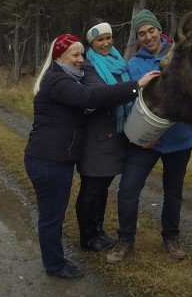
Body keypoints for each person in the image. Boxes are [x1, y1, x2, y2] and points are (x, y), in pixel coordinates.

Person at [24, 33, 159, 279]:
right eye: (75, 55)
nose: (80, 60)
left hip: (57, 160)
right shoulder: (56, 80)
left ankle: (58, 258)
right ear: (59, 56)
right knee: (51, 216)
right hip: (47, 160)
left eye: (82, 54)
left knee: (54, 213)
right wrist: (136, 85)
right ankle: (55, 265)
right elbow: (91, 97)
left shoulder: (69, 79)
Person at [107, 9, 192, 264]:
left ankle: (171, 236)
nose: (148, 37)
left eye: (151, 31)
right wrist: (143, 134)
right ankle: (125, 238)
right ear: (138, 39)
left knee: (173, 190)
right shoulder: (132, 66)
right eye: (142, 33)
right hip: (144, 143)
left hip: (179, 140)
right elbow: (128, 104)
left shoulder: (181, 56)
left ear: (160, 31)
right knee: (128, 189)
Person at [76, 19, 132, 252]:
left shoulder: (117, 61)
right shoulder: (87, 66)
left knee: (102, 186)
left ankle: (99, 231)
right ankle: (87, 237)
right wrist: (135, 88)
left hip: (115, 135)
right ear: (91, 42)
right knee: (91, 187)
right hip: (95, 137)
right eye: (100, 39)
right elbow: (101, 94)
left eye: (108, 38)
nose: (106, 43)